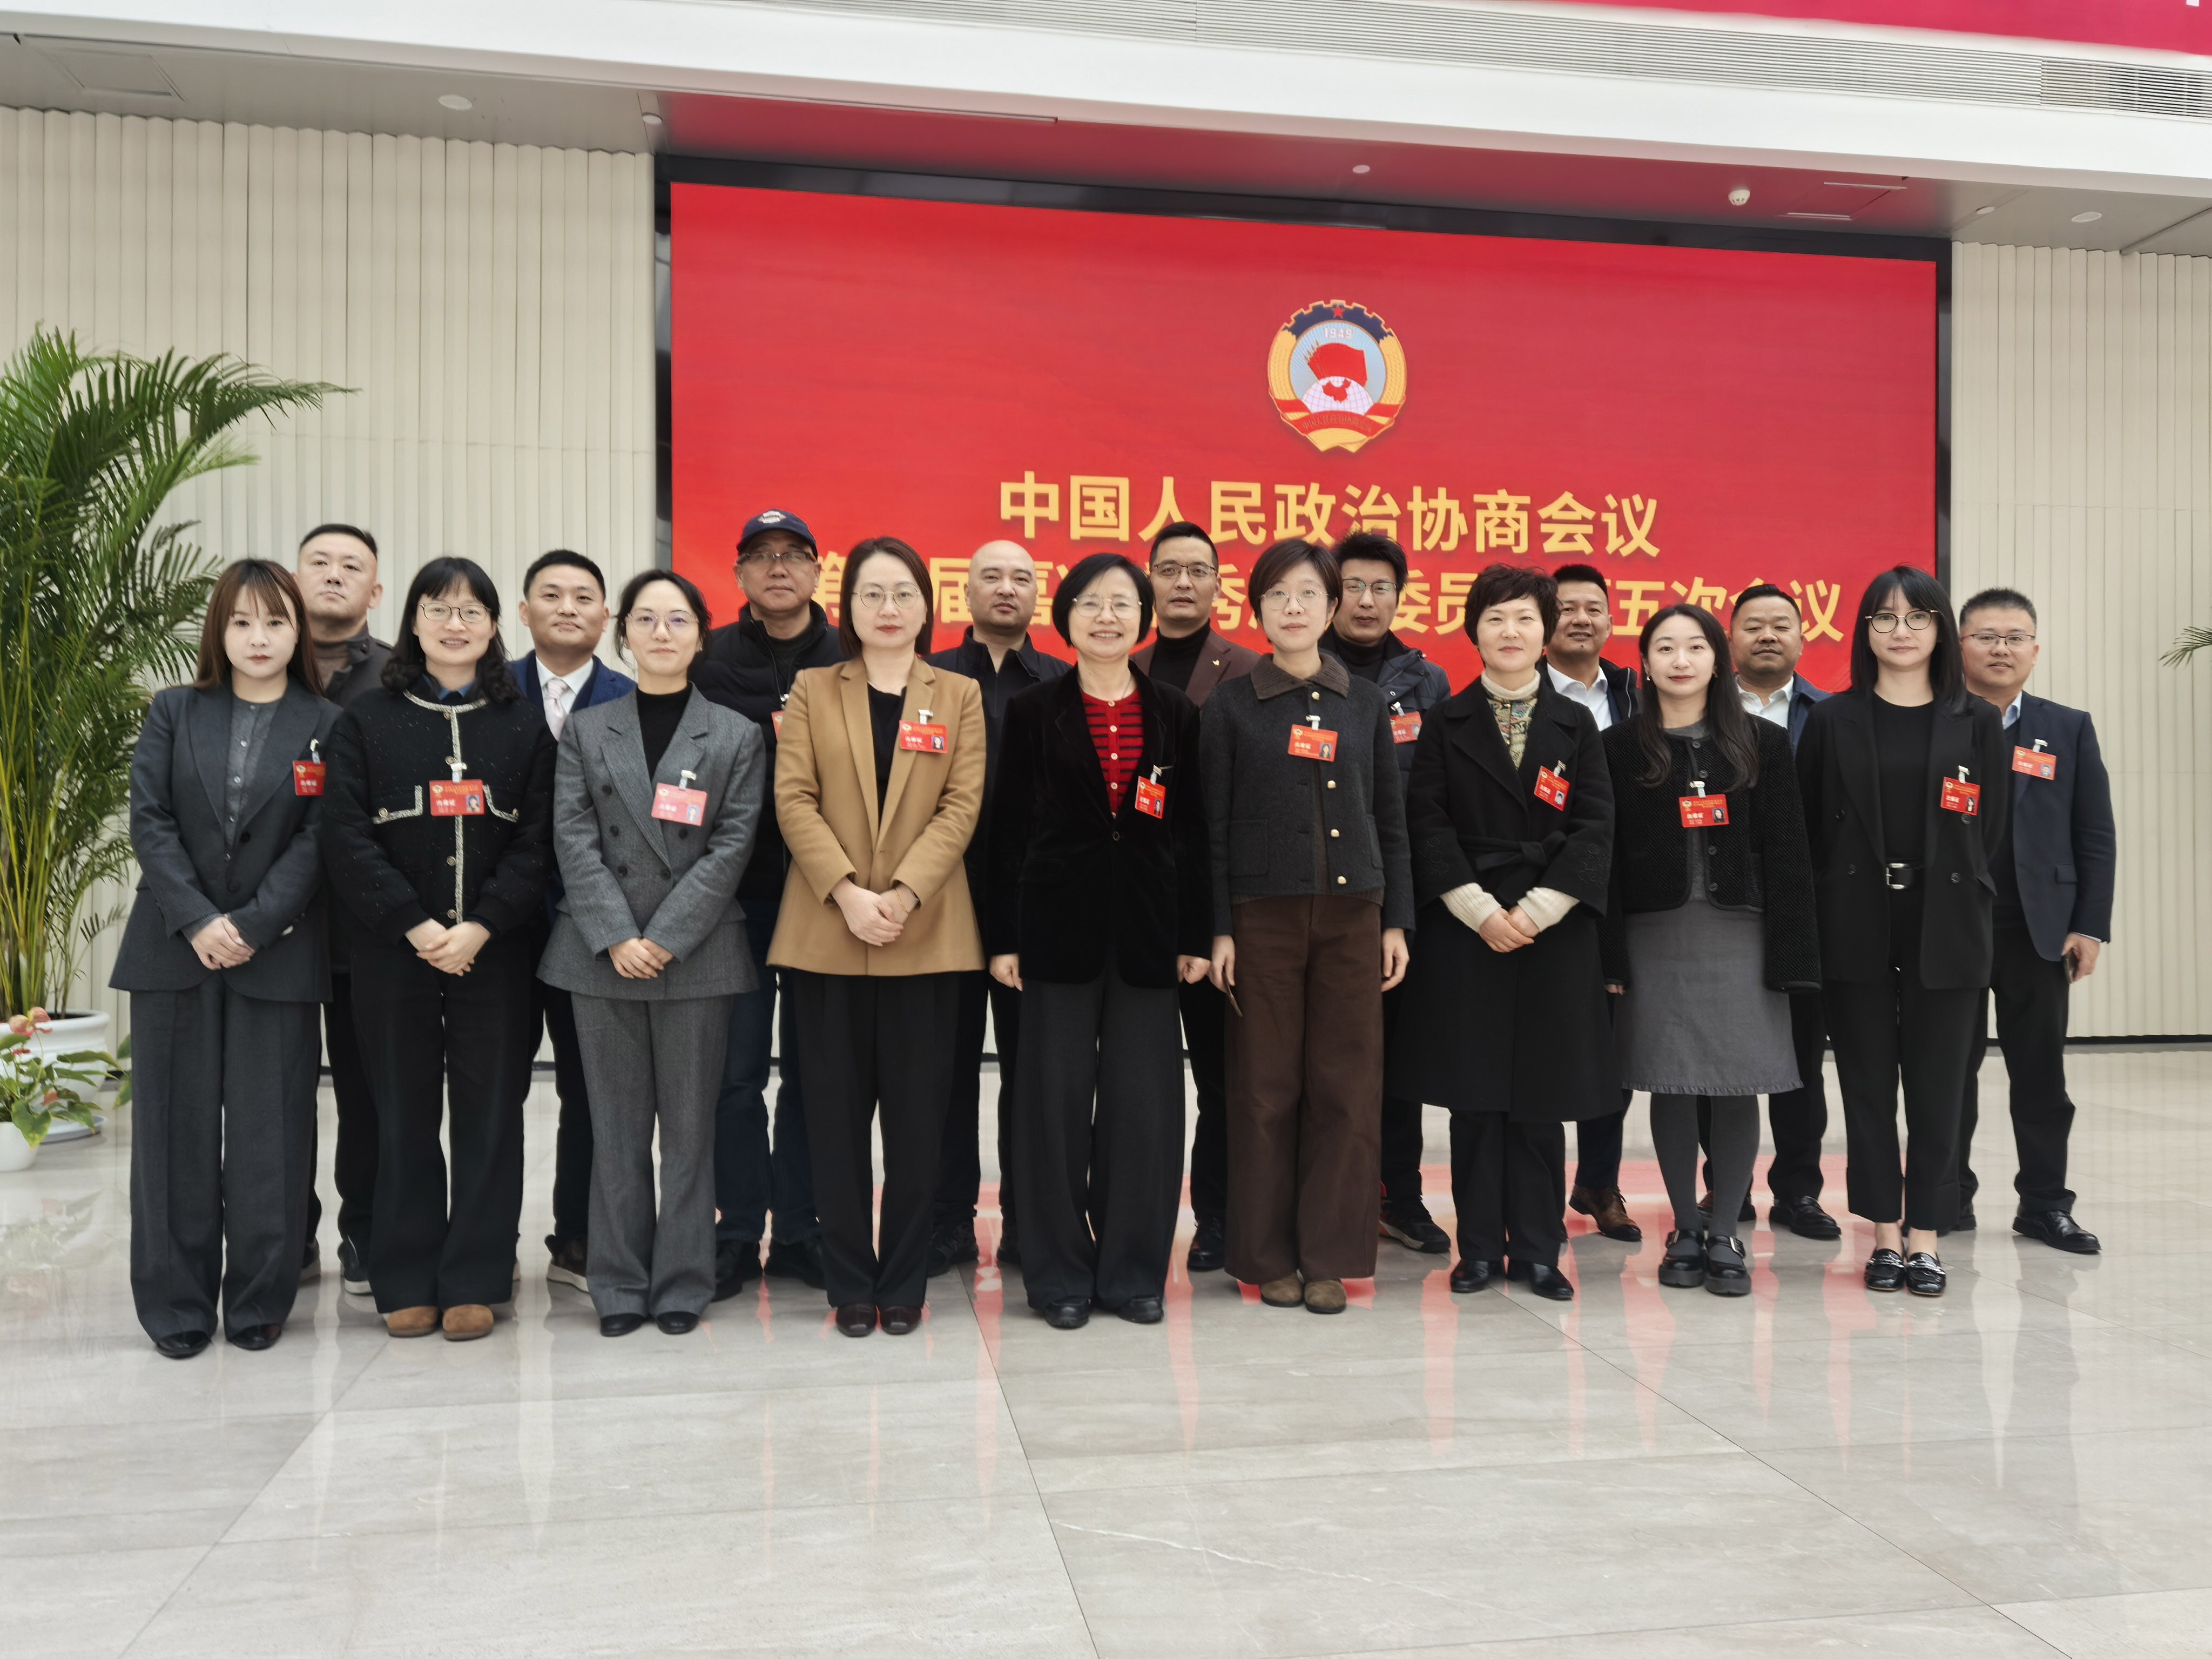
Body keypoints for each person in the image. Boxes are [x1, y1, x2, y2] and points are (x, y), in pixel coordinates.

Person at [321, 557, 557, 1340]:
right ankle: (406, 1276)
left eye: (471, 612)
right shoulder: (365, 720)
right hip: (394, 952)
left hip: (497, 950)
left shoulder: (521, 724)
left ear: (494, 626)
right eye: (439, 609)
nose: (455, 625)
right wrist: (416, 926)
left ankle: (477, 1278)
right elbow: (345, 836)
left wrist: (482, 925)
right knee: (400, 1115)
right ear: (413, 622)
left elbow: (536, 841)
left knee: (491, 1116)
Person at [113, 561, 340, 1358]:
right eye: (242, 622)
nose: (258, 638)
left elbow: (320, 838)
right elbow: (150, 821)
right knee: (171, 1134)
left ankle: (258, 1300)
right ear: (220, 630)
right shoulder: (175, 710)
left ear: (297, 632)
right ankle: (175, 1305)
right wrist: (199, 919)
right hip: (173, 949)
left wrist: (252, 924)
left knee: (269, 1134)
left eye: (275, 622)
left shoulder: (327, 723)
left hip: (276, 953)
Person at [769, 538, 986, 1338]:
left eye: (903, 593)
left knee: (919, 1122)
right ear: (848, 606)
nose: (888, 608)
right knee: (832, 1120)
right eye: (871, 594)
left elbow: (961, 806)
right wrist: (847, 893)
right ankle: (849, 1283)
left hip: (925, 934)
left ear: (928, 605)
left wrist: (901, 894)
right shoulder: (812, 689)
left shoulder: (957, 693)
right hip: (827, 931)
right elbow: (793, 798)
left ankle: (903, 1283)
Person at [539, 570, 766, 1336]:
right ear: (623, 635)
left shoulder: (735, 733)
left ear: (702, 635)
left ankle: (682, 1282)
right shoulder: (586, 729)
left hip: (697, 954)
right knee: (616, 1131)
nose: (661, 632)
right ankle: (617, 1284)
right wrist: (617, 934)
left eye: (677, 620)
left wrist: (665, 937)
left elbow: (732, 844)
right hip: (599, 954)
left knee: (692, 1133)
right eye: (645, 619)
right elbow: (572, 838)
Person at [987, 554, 1209, 1328]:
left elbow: (1192, 833)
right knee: (1050, 1108)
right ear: (1066, 618)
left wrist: (1195, 934)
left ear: (1144, 617)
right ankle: (1056, 1276)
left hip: (1149, 937)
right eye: (1090, 603)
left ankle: (1132, 1273)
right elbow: (1007, 830)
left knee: (1142, 1110)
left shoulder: (1175, 711)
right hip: (1053, 934)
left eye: (1122, 604)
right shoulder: (1032, 709)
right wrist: (1003, 938)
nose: (1107, 617)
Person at [1388, 563, 1616, 1304]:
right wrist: (1479, 910)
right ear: (1474, 632)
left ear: (1545, 631)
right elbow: (1426, 824)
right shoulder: (1445, 721)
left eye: (1524, 618)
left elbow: (1595, 828)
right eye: (1495, 618)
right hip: (1469, 933)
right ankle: (1480, 1249)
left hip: (1553, 933)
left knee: (1541, 1102)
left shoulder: (1577, 724)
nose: (1510, 631)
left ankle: (1540, 1252)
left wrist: (1539, 909)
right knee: (1476, 1100)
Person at [1202, 538, 1412, 1316]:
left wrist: (1397, 920)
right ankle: (1265, 1257)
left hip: (1356, 916)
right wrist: (1219, 927)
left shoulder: (1366, 702)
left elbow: (1389, 816)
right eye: (1277, 595)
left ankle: (1330, 1256)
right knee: (1264, 1089)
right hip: (1261, 917)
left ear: (1331, 608)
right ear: (1257, 609)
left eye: (1308, 595)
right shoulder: (1231, 704)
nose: (1293, 608)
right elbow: (1211, 827)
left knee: (1347, 1087)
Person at [1797, 565, 2007, 1297]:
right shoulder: (1833, 720)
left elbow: (1989, 830)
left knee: (1939, 1089)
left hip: (1945, 922)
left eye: (1918, 617)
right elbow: (1811, 828)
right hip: (1855, 920)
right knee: (1865, 1085)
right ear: (1865, 633)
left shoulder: (1976, 721)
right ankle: (1884, 1235)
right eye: (1884, 618)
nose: (1901, 631)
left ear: (1941, 630)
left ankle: (1926, 1239)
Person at [1600, 605, 1818, 1297]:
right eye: (1664, 647)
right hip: (1654, 938)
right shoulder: (1617, 747)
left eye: (1694, 647)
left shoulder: (1761, 742)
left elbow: (1789, 853)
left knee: (1735, 1080)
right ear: (1645, 662)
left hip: (1741, 937)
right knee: (1671, 1080)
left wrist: (1793, 955)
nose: (1680, 660)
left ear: (1717, 660)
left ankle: (1725, 1229)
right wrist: (1608, 956)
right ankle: (1686, 1228)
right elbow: (1604, 861)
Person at [694, 509, 844, 1298]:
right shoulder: (708, 659)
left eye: (793, 555)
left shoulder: (850, 655)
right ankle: (736, 1231)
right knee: (736, 1076)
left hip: (829, 899)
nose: (777, 568)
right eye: (761, 556)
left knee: (817, 1075)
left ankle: (801, 1230)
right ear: (740, 574)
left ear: (819, 570)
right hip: (737, 899)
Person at [1955, 588, 2114, 1253]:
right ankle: (1946, 1199)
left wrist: (2090, 926)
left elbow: (2094, 834)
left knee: (2041, 1077)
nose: (2001, 648)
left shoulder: (2066, 726)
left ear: (2034, 650)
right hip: (1952, 928)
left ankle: (2045, 1205)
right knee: (1948, 1075)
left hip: (2038, 931)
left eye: (2014, 637)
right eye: (1986, 636)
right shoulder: (1936, 721)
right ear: (1959, 646)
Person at [926, 540, 1069, 1276]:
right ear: (966, 590)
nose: (1006, 588)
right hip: (941, 900)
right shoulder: (929, 677)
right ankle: (948, 1222)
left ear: (1038, 594)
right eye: (991, 576)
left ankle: (1027, 1223)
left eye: (1021, 577)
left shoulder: (1065, 681)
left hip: (1034, 906)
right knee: (944, 1072)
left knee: (1034, 1074)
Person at [1131, 520, 1260, 1274]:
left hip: (1218, 907)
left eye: (1198, 570)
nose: (1183, 582)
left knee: (1222, 1077)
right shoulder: (1122, 664)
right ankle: (1134, 1220)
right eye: (1169, 569)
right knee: (1139, 1080)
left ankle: (1218, 1218)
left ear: (1218, 584)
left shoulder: (1248, 671)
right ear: (1148, 579)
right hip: (1139, 904)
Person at [1320, 530, 1452, 1257]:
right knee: (1327, 1059)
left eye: (1381, 588)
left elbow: (1438, 796)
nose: (1366, 601)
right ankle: (1326, 1200)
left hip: (1404, 898)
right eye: (1353, 587)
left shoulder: (1427, 683)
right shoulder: (1298, 668)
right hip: (1319, 897)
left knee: (1400, 1062)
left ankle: (1401, 1196)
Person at [512, 549, 635, 1297]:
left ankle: (580, 1236)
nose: (567, 608)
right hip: (499, 930)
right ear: (524, 611)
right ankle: (489, 1241)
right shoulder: (489, 692)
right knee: (495, 1089)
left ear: (605, 616)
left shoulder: (632, 699)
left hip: (595, 929)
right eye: (551, 595)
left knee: (593, 1091)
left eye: (584, 597)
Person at [1719, 582, 1838, 1240]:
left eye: (1780, 625)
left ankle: (1798, 1192)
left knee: (1800, 1063)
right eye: (1753, 625)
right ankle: (1725, 1188)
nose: (1767, 635)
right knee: (1717, 1058)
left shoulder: (1832, 716)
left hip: (1806, 911)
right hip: (1720, 911)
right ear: (1730, 638)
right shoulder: (1700, 710)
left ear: (1801, 637)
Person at [294, 523, 390, 1295]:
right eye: (319, 563)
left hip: (366, 928)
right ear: (294, 579)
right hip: (275, 926)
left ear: (375, 591)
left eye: (350, 566)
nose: (333, 575)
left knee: (367, 1095)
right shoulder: (256, 664)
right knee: (278, 1092)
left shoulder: (397, 676)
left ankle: (366, 1232)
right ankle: (286, 1234)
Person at [1541, 563, 1641, 1246]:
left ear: (1611, 619)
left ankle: (1599, 1182)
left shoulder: (1637, 694)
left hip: (1622, 896)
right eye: (1566, 607)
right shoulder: (1517, 692)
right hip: (1543, 894)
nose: (1580, 618)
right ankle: (1538, 1191)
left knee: (1615, 1047)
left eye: (1593, 608)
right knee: (1547, 1049)